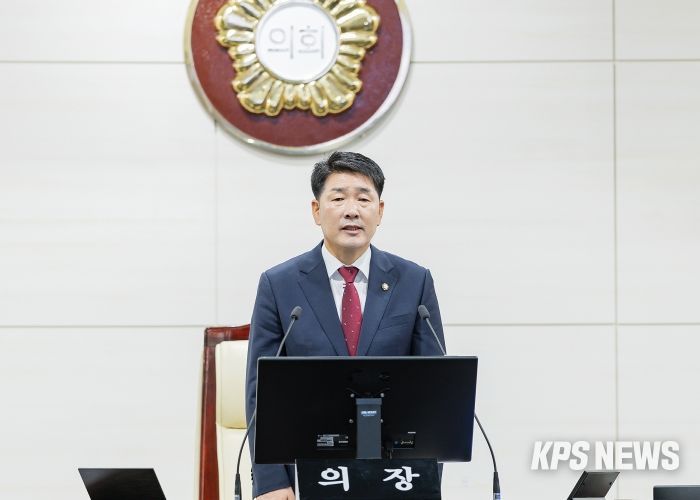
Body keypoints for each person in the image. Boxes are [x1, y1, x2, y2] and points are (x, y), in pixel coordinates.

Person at [245, 151, 446, 500]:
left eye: (363, 199)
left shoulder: (414, 282)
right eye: (338, 198)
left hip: (393, 474)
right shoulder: (279, 285)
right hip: (307, 471)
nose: (352, 210)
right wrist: (272, 483)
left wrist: (424, 479)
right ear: (316, 210)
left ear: (379, 211)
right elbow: (260, 392)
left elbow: (434, 392)